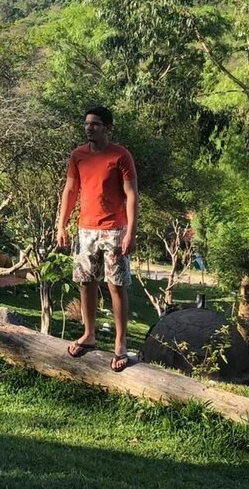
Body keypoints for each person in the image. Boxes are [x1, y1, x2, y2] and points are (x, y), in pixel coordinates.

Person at [56, 105, 139, 373]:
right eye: (87, 123)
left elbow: (131, 194)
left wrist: (131, 231)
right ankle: (89, 334)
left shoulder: (121, 155)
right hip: (86, 230)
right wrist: (61, 225)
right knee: (86, 282)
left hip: (115, 229)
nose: (89, 127)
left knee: (116, 285)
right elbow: (70, 190)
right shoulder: (78, 155)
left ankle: (120, 344)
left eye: (95, 124)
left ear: (107, 128)